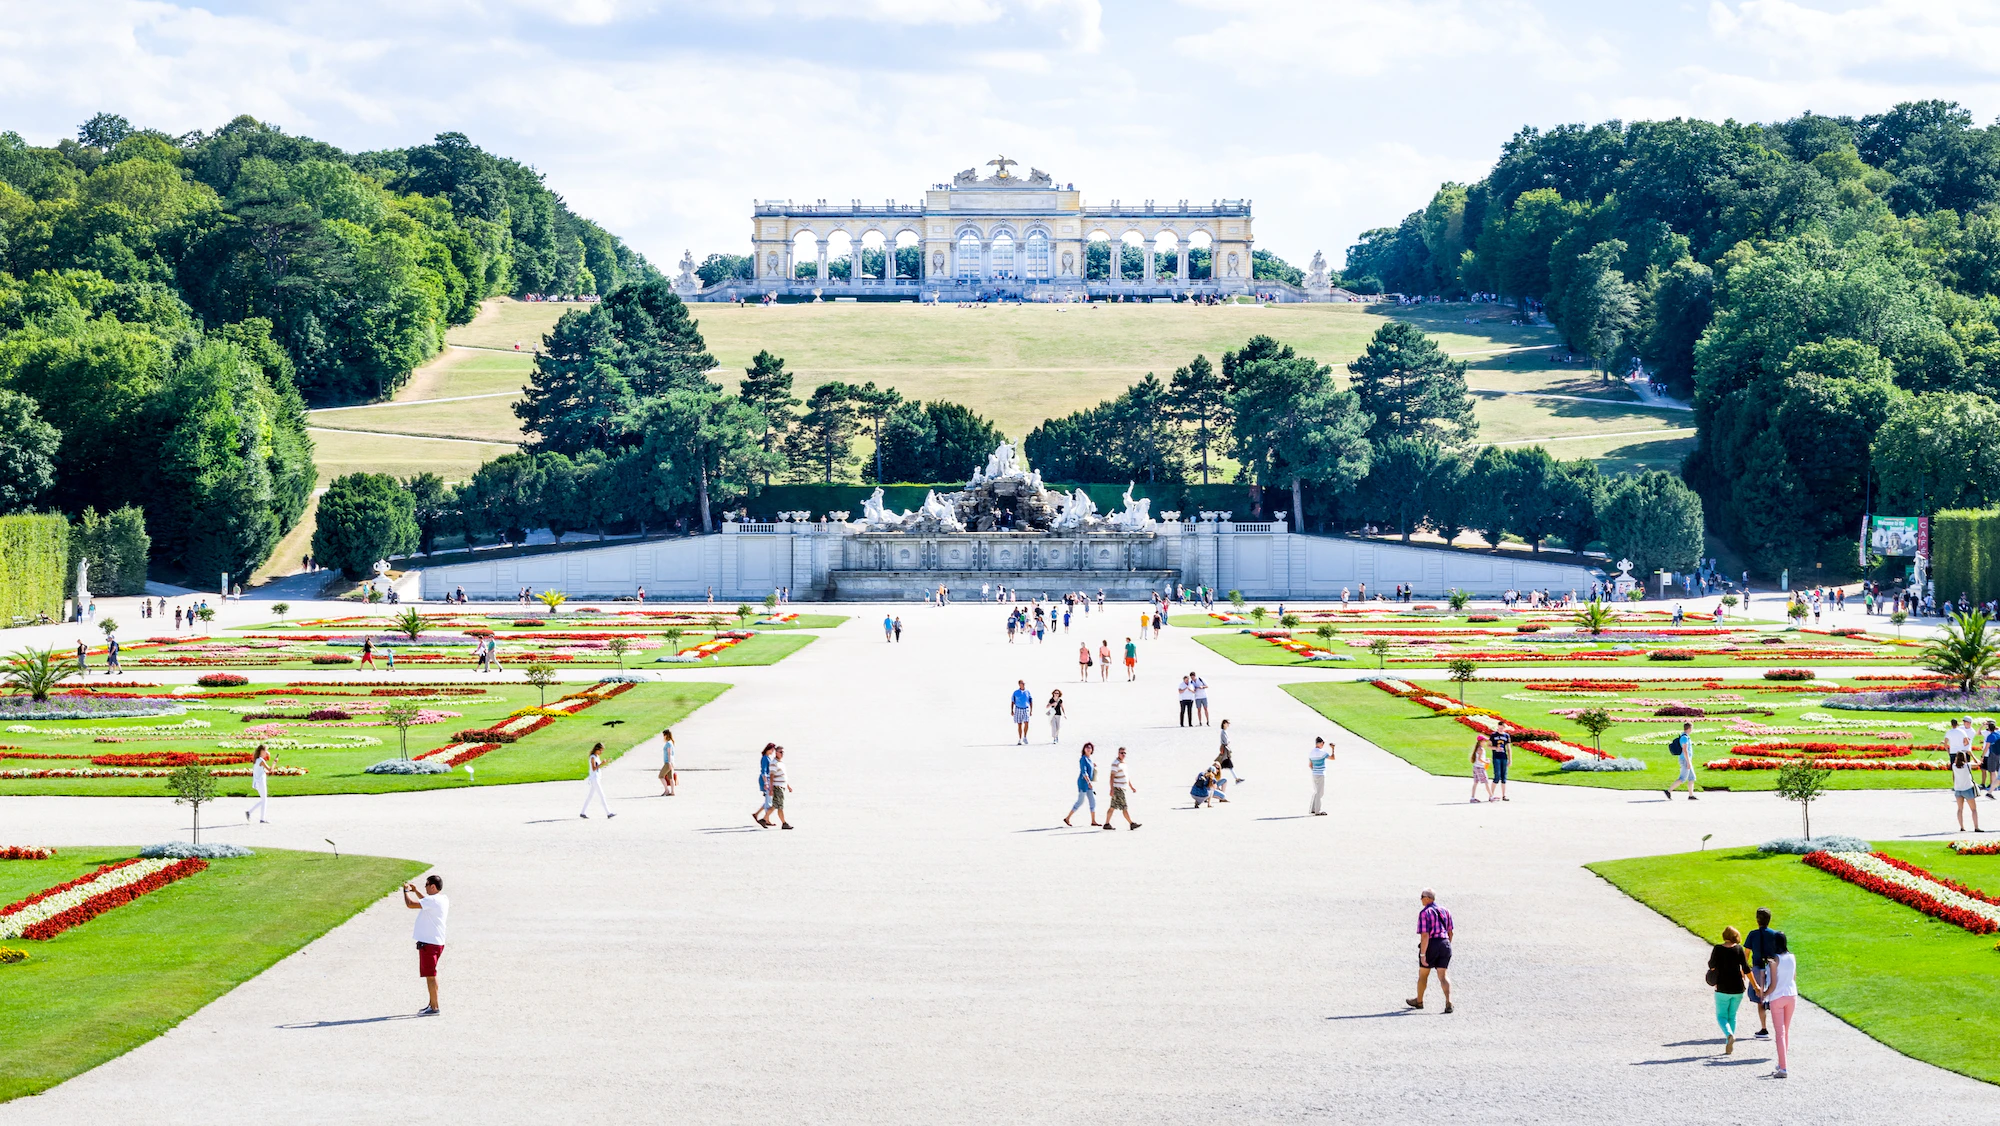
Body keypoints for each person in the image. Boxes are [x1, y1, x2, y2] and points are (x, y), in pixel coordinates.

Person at [403, 874, 449, 1016]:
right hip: (435, 943)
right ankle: (432, 1004)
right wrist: (416, 891)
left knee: (430, 975)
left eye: (426, 885)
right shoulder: (442, 898)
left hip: (430, 945)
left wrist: (405, 892)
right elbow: (426, 901)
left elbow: (410, 904)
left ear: (433, 886)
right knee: (431, 974)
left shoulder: (433, 900)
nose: (425, 887)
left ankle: (434, 1007)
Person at [1406, 888, 1454, 1013]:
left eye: (1422, 896)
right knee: (1443, 976)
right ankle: (1448, 1002)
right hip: (1445, 944)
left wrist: (1423, 954)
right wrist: (1446, 946)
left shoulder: (1425, 913)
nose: (1420, 899)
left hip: (1431, 944)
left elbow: (1425, 935)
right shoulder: (1446, 911)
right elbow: (1450, 932)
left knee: (1423, 974)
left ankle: (1419, 1001)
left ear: (1428, 898)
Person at [1709, 925, 1752, 1055]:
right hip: (1738, 988)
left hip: (1722, 987)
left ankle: (1729, 1035)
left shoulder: (1718, 949)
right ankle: (1729, 1042)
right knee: (1732, 1015)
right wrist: (1755, 985)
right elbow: (1746, 968)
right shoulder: (1739, 949)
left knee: (1721, 1016)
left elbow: (1711, 965)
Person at [1746, 908, 1781, 1039]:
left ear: (1757, 920)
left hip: (1757, 969)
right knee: (1774, 997)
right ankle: (1779, 1028)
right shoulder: (1775, 934)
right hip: (1771, 968)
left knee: (1760, 999)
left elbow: (1747, 954)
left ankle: (1764, 1028)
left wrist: (1744, 969)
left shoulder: (1753, 934)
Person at [1766, 932, 1798, 1077]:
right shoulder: (1792, 957)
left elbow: (1772, 985)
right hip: (1792, 995)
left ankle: (1783, 1068)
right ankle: (1781, 1064)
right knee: (1786, 1031)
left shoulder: (1775, 960)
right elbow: (1794, 977)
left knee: (1780, 1033)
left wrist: (1764, 993)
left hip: (1778, 997)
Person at [1103, 746, 1140, 830]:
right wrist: (1111, 789)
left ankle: (1106, 824)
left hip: (1122, 788)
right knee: (1124, 807)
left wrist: (1131, 787)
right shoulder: (1115, 763)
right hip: (1118, 789)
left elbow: (1126, 777)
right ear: (1118, 753)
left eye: (1124, 753)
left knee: (1112, 807)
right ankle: (1131, 823)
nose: (1123, 754)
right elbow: (1111, 777)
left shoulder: (1124, 764)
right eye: (1121, 753)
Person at [1951, 744, 1983, 832]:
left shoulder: (1954, 766)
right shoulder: (1967, 765)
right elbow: (1978, 763)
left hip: (1958, 789)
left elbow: (1953, 777)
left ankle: (1962, 827)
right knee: (1973, 809)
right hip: (1967, 789)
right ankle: (1976, 827)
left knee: (1960, 809)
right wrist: (1972, 754)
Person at [1065, 742, 1098, 827]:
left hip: (1088, 783)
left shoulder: (1089, 759)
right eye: (1086, 747)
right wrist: (1089, 782)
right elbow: (1084, 772)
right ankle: (1067, 818)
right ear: (1084, 749)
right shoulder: (1083, 759)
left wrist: (1093, 765)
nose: (1088, 748)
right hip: (1083, 782)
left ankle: (1093, 821)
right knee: (1080, 801)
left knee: (1092, 800)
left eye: (1090, 747)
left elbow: (1089, 768)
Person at [578, 742, 615, 819]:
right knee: (602, 795)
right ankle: (608, 813)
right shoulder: (593, 757)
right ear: (597, 749)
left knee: (590, 796)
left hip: (596, 778)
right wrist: (602, 763)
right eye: (601, 750)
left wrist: (604, 762)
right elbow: (594, 768)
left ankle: (582, 812)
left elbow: (597, 767)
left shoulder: (596, 756)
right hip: (594, 779)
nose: (601, 752)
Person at [1664, 721, 1699, 800]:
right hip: (1685, 760)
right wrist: (1688, 762)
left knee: (1692, 778)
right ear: (1689, 728)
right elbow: (1685, 750)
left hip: (1687, 759)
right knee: (1682, 778)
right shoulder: (1684, 738)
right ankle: (1668, 791)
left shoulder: (1685, 737)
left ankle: (1691, 795)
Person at [765, 746, 793, 828]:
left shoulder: (781, 763)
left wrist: (788, 786)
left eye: (783, 752)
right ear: (776, 753)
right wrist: (771, 788)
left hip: (782, 786)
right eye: (780, 752)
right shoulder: (774, 763)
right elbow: (772, 776)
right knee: (780, 806)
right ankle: (784, 823)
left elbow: (783, 776)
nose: (782, 754)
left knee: (775, 806)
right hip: (777, 787)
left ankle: (764, 819)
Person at [246, 744, 273, 823]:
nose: (267, 752)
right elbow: (270, 769)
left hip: (258, 782)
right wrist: (275, 762)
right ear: (261, 751)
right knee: (264, 800)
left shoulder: (257, 759)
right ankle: (260, 818)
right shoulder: (261, 761)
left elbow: (264, 770)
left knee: (264, 800)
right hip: (261, 782)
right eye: (265, 751)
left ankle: (252, 813)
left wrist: (267, 754)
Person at [753, 743, 777, 826]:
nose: (773, 751)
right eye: (772, 749)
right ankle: (766, 820)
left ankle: (757, 815)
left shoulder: (767, 758)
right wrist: (766, 783)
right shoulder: (765, 758)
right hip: (765, 780)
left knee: (768, 799)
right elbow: (764, 771)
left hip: (768, 780)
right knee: (769, 801)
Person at [1309, 736, 1333, 816]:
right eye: (1323, 743)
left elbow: (1310, 765)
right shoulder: (1322, 752)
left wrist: (1315, 770)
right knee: (1320, 792)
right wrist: (1333, 749)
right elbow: (1332, 758)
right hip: (1321, 774)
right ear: (1320, 743)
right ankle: (1317, 811)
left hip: (1314, 773)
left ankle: (1313, 808)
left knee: (1316, 791)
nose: (1323, 744)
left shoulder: (1311, 752)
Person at [1469, 735, 1494, 803]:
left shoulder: (1478, 748)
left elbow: (1479, 758)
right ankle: (1491, 796)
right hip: (1480, 768)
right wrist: (1486, 762)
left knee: (1475, 782)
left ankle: (1472, 797)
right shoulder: (1481, 749)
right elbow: (1480, 759)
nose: (1485, 742)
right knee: (1486, 782)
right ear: (1481, 741)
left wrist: (1485, 759)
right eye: (1484, 741)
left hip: (1475, 767)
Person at [1216, 719, 1241, 784]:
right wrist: (1229, 741)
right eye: (1227, 723)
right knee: (1220, 765)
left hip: (1225, 750)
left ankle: (1236, 778)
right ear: (1224, 724)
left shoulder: (1224, 731)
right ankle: (1236, 779)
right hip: (1224, 750)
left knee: (1226, 765)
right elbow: (1226, 741)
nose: (1228, 725)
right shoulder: (1223, 732)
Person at [1489, 729, 1511, 802]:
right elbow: (1489, 746)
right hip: (1496, 757)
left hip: (1504, 757)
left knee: (1504, 776)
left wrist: (1510, 759)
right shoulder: (1493, 735)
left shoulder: (1506, 735)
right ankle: (1491, 795)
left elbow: (1508, 748)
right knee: (1497, 776)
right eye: (1499, 727)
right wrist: (1495, 748)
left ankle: (1504, 795)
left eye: (1502, 727)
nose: (1500, 729)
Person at [1011, 679, 1033, 744]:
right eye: (1022, 683)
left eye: (1024, 683)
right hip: (1018, 709)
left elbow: (1031, 701)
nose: (1023, 684)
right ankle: (1020, 739)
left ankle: (1025, 737)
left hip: (1026, 709)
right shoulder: (1016, 692)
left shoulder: (1027, 692)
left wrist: (1031, 710)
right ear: (1019, 684)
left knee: (1026, 722)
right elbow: (1012, 701)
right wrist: (1012, 710)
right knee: (1019, 724)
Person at [1983, 719, 2000, 799]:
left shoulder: (1990, 736)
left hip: (1993, 754)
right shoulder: (1998, 734)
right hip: (1998, 754)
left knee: (1992, 771)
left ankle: (1993, 787)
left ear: (1989, 729)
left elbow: (1986, 748)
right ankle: (1994, 787)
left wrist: (1982, 756)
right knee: (1996, 771)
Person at [658, 729, 677, 796]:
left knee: (661, 776)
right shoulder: (671, 742)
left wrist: (668, 762)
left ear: (666, 735)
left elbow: (669, 753)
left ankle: (666, 790)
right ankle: (672, 791)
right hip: (671, 762)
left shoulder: (668, 743)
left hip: (668, 762)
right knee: (671, 778)